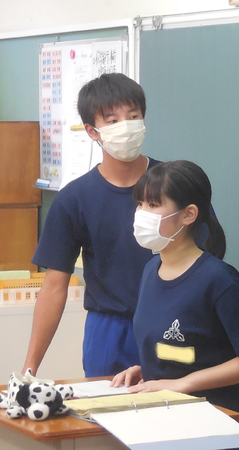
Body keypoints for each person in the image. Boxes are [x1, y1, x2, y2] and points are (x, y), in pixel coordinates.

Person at [111, 160, 239, 442]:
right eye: (140, 204)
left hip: (216, 425)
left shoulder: (218, 279)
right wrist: (150, 371)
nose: (141, 214)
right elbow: (181, 349)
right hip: (166, 421)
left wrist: (183, 383)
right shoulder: (151, 270)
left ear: (188, 214)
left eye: (153, 205)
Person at [24, 73, 159, 377]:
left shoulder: (174, 186)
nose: (126, 126)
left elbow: (206, 260)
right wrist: (30, 367)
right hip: (109, 330)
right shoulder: (74, 199)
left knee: (172, 403)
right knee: (106, 405)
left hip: (170, 323)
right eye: (113, 120)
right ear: (92, 131)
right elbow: (54, 286)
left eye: (133, 116)